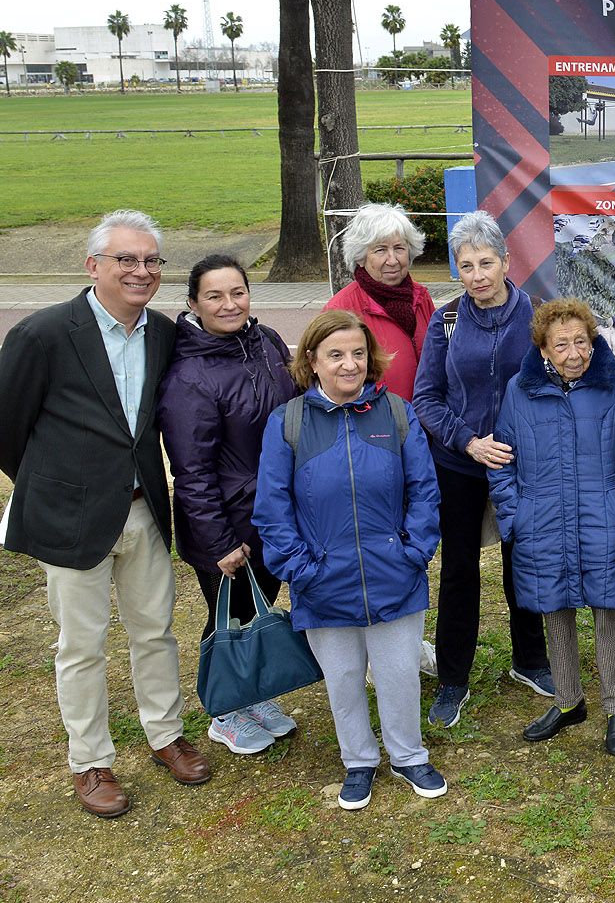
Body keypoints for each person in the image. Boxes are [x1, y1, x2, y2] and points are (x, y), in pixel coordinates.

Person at [0, 210, 211, 816]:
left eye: (151, 260)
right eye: (127, 259)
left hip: (145, 509)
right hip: (70, 518)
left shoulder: (164, 334)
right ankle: (90, 761)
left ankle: (165, 737)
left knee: (154, 632)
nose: (141, 271)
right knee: (81, 645)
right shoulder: (42, 334)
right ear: (93, 265)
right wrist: (53, 486)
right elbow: (8, 428)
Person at [253, 309, 446, 811]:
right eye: (335, 355)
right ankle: (358, 760)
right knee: (341, 678)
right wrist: (302, 570)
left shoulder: (396, 413)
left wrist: (413, 553)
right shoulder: (288, 422)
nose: (349, 364)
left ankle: (408, 754)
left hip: (395, 576)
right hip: (321, 581)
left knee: (399, 672)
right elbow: (272, 508)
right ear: (312, 361)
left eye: (358, 353)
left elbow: (425, 491)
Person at [412, 211, 551, 729]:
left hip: (522, 466)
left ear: (506, 261)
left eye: (486, 263)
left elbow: (551, 386)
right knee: (459, 571)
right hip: (460, 464)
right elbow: (426, 396)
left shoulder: (537, 316)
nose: (477, 275)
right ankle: (453, 679)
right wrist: (468, 442)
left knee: (526, 562)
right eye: (466, 266)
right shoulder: (446, 321)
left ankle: (531, 660)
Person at [159, 253, 300, 755]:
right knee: (229, 616)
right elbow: (192, 472)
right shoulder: (189, 377)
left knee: (260, 607)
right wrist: (221, 541)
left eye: (236, 292)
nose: (228, 304)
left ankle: (251, 695)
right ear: (194, 304)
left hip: (273, 515)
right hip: (227, 524)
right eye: (214, 296)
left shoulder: (264, 342)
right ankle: (224, 711)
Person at [489, 299, 615, 755]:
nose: (574, 353)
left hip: (604, 517)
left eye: (582, 341)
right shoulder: (520, 389)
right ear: (542, 349)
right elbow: (502, 459)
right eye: (562, 345)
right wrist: (515, 515)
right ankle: (568, 700)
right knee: (554, 609)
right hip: (543, 521)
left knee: (607, 610)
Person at [325, 202, 434, 399]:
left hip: (427, 423)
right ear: (360, 257)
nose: (392, 260)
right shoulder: (341, 309)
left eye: (399, 248)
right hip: (376, 424)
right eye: (380, 250)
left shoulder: (421, 297)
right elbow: (331, 383)